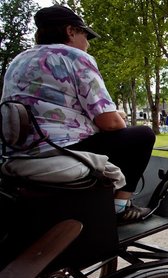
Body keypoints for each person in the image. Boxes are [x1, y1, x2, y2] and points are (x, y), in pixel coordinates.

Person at [1, 5, 155, 223]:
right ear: (70, 31)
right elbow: (110, 123)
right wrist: (118, 117)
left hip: (19, 151)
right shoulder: (73, 56)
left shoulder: (18, 61)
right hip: (58, 149)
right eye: (86, 35)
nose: (88, 43)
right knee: (142, 136)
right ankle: (121, 206)